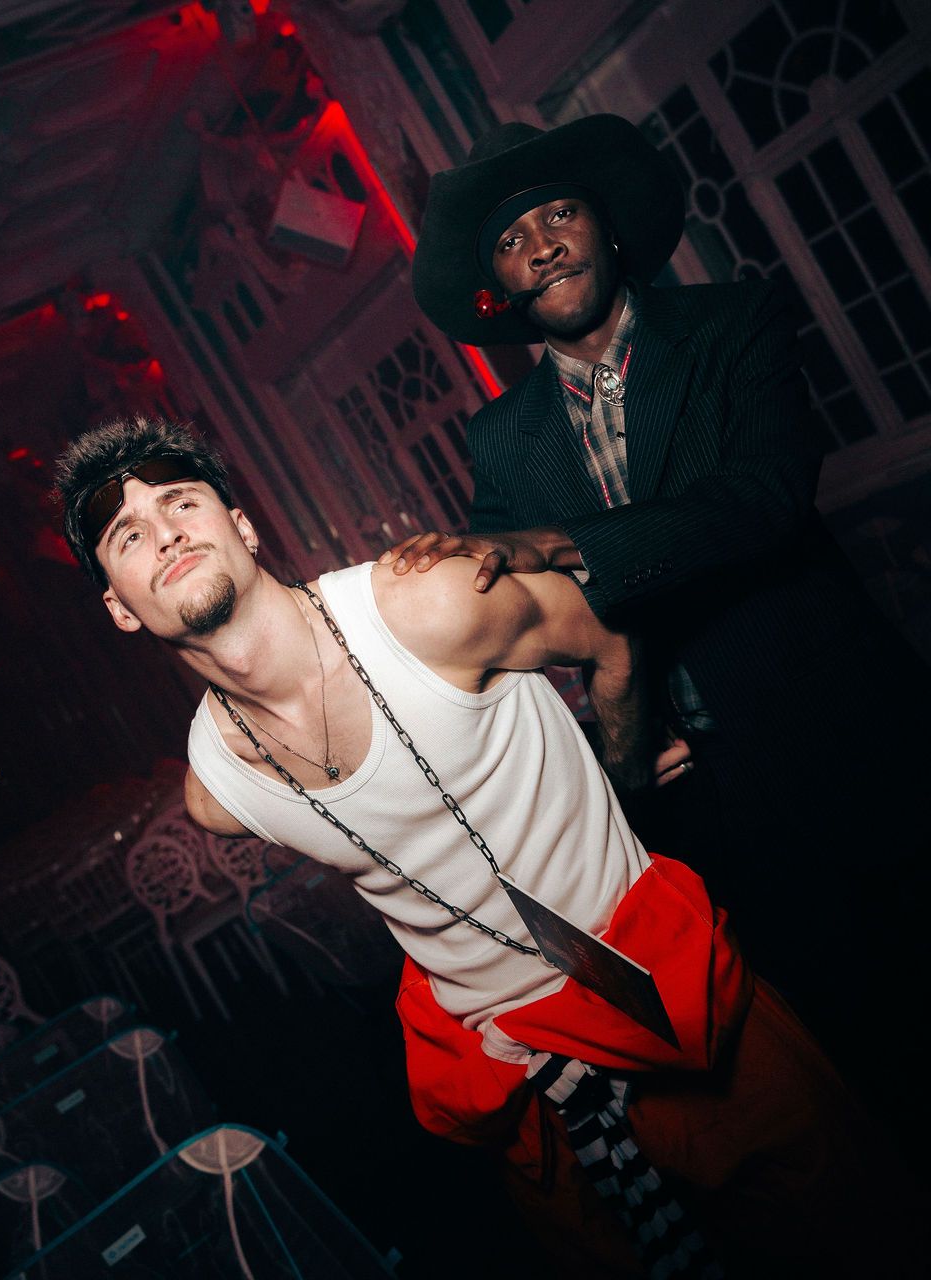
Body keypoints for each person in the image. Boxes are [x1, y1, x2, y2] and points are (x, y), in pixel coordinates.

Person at [56, 416, 921, 1279]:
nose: (165, 532)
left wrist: (625, 778)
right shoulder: (219, 793)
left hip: (674, 1005)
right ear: (119, 608)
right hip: (521, 1092)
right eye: (128, 535)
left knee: (856, 1241)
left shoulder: (427, 608)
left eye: (182, 502)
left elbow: (609, 638)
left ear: (242, 526)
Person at [390, 113, 931, 1078]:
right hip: (701, 800)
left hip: (844, 731)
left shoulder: (733, 323)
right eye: (511, 240)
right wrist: (611, 739)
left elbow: (762, 500)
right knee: (841, 1050)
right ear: (500, 285)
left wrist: (561, 542)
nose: (542, 246)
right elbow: (520, 621)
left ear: (606, 228)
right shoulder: (500, 438)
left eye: (560, 215)